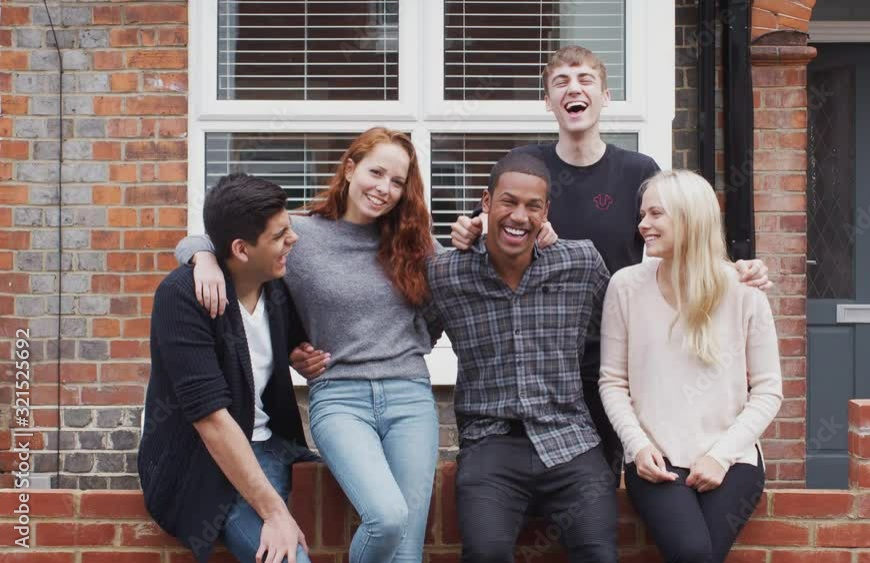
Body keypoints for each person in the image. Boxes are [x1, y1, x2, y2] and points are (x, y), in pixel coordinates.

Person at [450, 45, 771, 475]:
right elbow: (490, 226)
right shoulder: (525, 164)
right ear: (548, 101)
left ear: (606, 96)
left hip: (617, 361)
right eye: (561, 82)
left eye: (585, 80)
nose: (573, 89)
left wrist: (731, 270)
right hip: (545, 361)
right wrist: (468, 230)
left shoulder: (637, 171)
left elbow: (679, 236)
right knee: (539, 492)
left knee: (605, 488)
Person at [175, 128, 440, 563]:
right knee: (387, 517)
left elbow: (448, 300)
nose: (385, 189)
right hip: (340, 397)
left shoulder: (414, 244)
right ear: (350, 168)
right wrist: (202, 258)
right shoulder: (300, 234)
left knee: (407, 547)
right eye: (376, 172)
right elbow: (214, 235)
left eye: (397, 181)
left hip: (410, 395)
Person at [423, 152, 618, 563]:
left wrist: (728, 277)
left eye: (533, 206)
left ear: (546, 212)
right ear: (486, 202)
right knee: (486, 552)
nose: (519, 216)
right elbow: (408, 339)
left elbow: (635, 316)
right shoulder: (446, 274)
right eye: (508, 202)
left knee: (599, 554)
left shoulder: (579, 263)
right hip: (490, 441)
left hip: (570, 438)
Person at [599, 170, 783, 563]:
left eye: (655, 214)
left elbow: (768, 390)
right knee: (695, 554)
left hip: (732, 460)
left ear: (689, 219)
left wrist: (721, 456)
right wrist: (638, 446)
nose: (642, 225)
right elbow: (612, 383)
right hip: (655, 461)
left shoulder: (745, 293)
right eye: (642, 214)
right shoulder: (626, 287)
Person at [139, 173, 319, 563]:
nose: (293, 240)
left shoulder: (274, 284)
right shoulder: (182, 297)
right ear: (240, 249)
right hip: (205, 463)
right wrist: (276, 514)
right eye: (279, 236)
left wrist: (296, 354)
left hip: (271, 444)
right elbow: (211, 421)